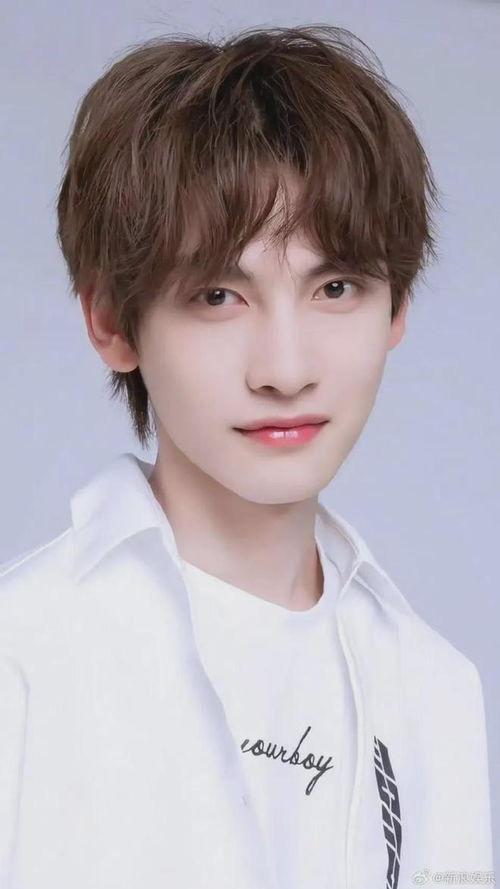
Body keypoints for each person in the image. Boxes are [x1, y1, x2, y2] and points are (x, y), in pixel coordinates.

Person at [0, 23, 494, 889]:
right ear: (112, 321)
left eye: (335, 286)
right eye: (219, 295)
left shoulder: (436, 690)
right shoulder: (23, 656)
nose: (286, 369)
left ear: (397, 308)